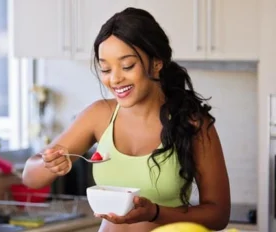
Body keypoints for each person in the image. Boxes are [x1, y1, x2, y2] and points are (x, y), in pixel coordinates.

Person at [22, 7, 230, 232]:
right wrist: (49, 164)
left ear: (157, 62)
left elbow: (218, 215)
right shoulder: (99, 115)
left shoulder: (193, 123)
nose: (115, 79)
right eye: (105, 68)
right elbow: (30, 178)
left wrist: (156, 213)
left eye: (127, 66)